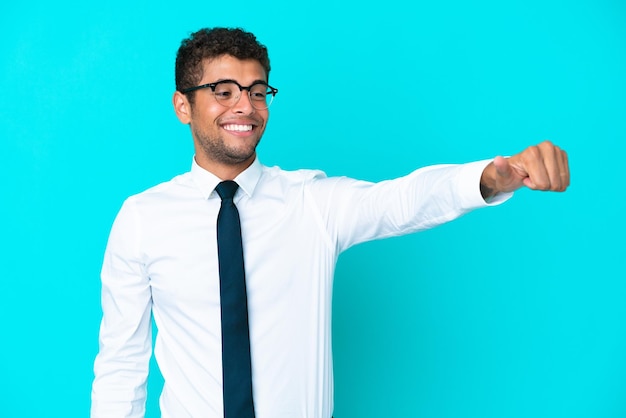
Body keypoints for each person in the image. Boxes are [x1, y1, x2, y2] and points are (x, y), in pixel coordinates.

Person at [90, 27, 569, 418]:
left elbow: (399, 201)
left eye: (258, 92)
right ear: (183, 106)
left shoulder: (311, 202)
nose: (245, 106)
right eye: (223, 91)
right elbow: (121, 366)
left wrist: (488, 176)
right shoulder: (142, 219)